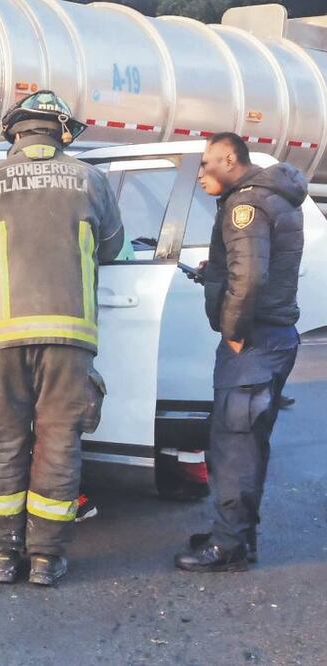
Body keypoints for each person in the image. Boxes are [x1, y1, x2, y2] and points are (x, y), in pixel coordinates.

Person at [0, 90, 124, 586]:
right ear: (61, 132)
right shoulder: (92, 181)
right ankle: (46, 559)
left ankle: (1, 557)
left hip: (2, 339)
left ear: (14, 133)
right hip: (71, 340)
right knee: (60, 445)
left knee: (0, 444)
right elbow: (112, 247)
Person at [175, 133, 304, 572]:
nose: (199, 174)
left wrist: (233, 331)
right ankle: (238, 534)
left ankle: (227, 548)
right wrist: (215, 274)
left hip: (253, 343)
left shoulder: (244, 206)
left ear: (229, 159)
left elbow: (249, 279)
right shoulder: (273, 196)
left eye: (206, 163)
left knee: (234, 446)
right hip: (275, 337)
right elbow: (253, 265)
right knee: (250, 443)